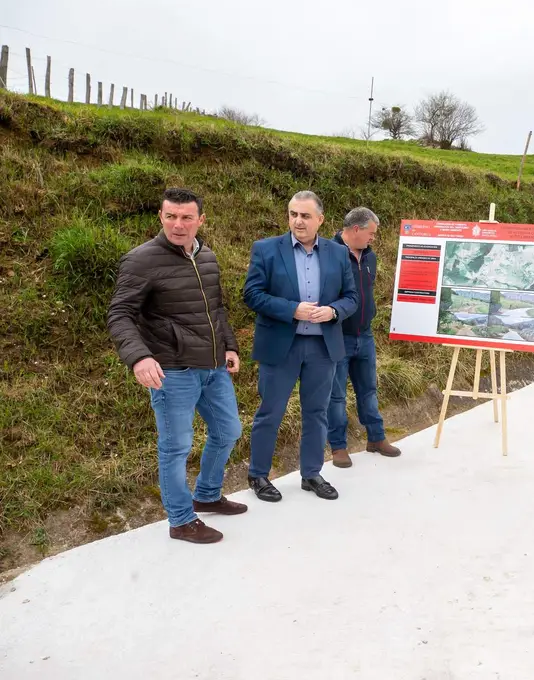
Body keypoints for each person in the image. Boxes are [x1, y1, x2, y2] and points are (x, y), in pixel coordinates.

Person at [106, 187, 246, 544]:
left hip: (213, 368)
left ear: (201, 220)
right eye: (171, 216)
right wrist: (139, 356)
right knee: (176, 447)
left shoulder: (207, 257)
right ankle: (181, 519)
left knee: (228, 431)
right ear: (161, 216)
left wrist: (228, 344)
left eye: (186, 217)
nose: (178, 225)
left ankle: (208, 494)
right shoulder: (141, 260)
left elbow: (216, 308)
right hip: (173, 371)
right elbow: (120, 313)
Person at [243, 190, 358, 502]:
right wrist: (291, 309)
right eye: (293, 214)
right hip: (281, 346)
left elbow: (351, 297)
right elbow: (251, 294)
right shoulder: (266, 250)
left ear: (320, 219)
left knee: (317, 412)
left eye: (305, 215)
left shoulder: (337, 253)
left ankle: (311, 473)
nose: (297, 221)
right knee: (270, 411)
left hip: (323, 347)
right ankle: (258, 474)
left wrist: (334, 311)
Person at [326, 206, 398, 466]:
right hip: (338, 336)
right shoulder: (329, 254)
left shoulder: (371, 258)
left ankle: (376, 438)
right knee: (336, 395)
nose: (373, 238)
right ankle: (338, 447)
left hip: (364, 335)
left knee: (368, 389)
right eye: (371, 233)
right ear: (356, 229)